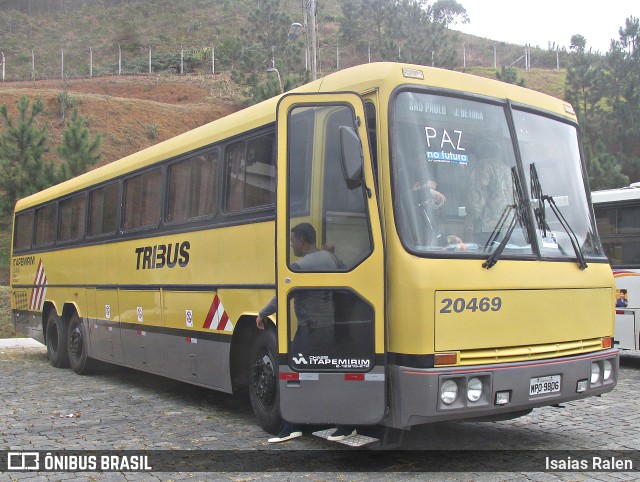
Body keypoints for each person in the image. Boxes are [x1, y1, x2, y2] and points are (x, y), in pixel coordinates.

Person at [256, 222, 357, 443]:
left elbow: (281, 295)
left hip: (310, 330)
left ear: (302, 241)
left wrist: (262, 314)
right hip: (329, 329)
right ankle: (345, 425)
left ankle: (292, 426)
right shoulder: (329, 258)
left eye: (292, 241)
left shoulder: (300, 266)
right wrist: (328, 252)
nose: (291, 245)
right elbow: (345, 270)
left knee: (296, 375)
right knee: (330, 376)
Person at [465, 141, 513, 244]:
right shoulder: (508, 170)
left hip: (487, 227)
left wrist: (471, 221)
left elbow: (477, 196)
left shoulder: (482, 167)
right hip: (508, 225)